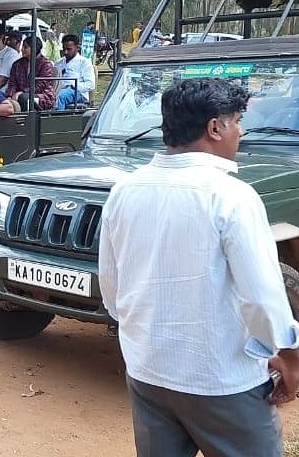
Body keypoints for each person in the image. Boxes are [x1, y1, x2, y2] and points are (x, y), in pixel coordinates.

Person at [99, 78, 299, 457]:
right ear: (214, 128)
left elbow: (112, 289)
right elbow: (262, 296)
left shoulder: (125, 191)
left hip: (148, 373)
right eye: (237, 120)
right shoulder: (231, 197)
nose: (240, 131)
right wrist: (289, 353)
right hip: (222, 382)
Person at [7, 36, 56, 111]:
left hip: (43, 96)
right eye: (22, 46)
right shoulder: (17, 64)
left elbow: (40, 86)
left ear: (35, 48)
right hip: (19, 95)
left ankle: (24, 122)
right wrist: (10, 95)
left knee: (24, 98)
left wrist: (22, 92)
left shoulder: (46, 64)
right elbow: (12, 83)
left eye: (25, 47)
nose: (22, 49)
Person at [54, 34, 94, 110]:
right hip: (58, 90)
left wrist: (72, 85)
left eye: (69, 49)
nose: (65, 52)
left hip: (77, 93)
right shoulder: (58, 63)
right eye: (64, 49)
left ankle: (57, 120)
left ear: (77, 48)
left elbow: (91, 85)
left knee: (60, 96)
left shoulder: (84, 62)